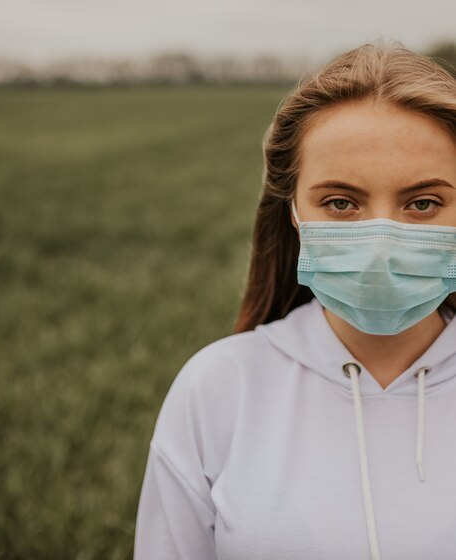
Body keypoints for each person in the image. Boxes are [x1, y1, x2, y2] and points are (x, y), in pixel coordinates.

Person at [134, 41, 456, 560]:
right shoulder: (218, 388)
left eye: (423, 203)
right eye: (340, 203)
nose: (379, 242)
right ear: (294, 213)